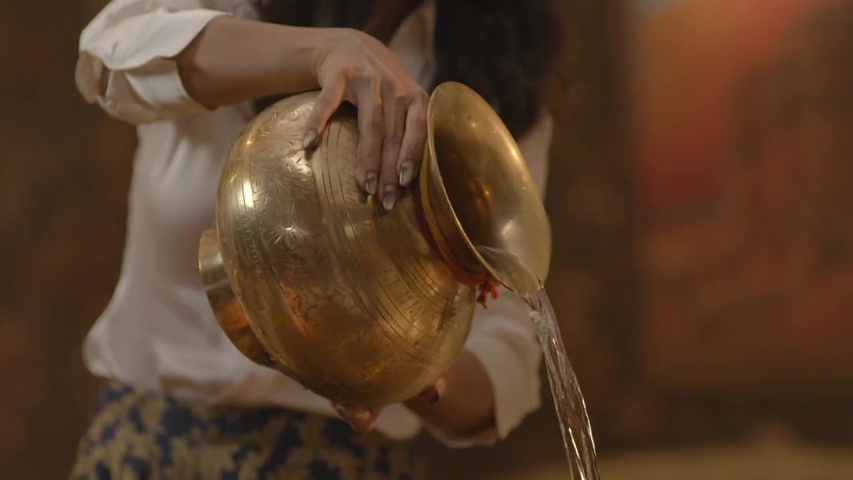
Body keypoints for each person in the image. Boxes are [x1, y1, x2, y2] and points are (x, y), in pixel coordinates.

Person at [71, 0, 563, 478]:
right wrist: (321, 53)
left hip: (344, 462)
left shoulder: (494, 88)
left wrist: (406, 372)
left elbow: (507, 353)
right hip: (149, 448)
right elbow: (108, 57)